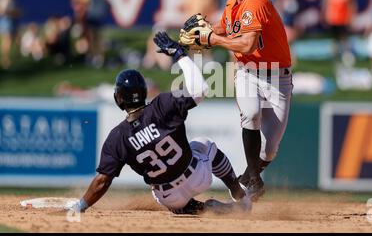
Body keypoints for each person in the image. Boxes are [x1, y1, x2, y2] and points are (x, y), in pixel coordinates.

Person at [69, 31, 251, 215]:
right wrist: (179, 54)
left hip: (169, 196)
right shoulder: (162, 105)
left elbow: (102, 181)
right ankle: (240, 196)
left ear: (119, 99)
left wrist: (79, 207)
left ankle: (200, 208)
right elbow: (200, 89)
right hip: (198, 177)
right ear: (144, 91)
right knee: (205, 144)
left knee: (164, 189)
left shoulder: (117, 136)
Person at [179, 0, 293, 202]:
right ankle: (254, 180)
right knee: (250, 115)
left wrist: (211, 39)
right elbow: (227, 27)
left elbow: (248, 44)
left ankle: (249, 176)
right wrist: (209, 29)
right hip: (248, 72)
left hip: (277, 78)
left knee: (271, 147)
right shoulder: (233, 4)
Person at [321, 0, 357, 67]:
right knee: (335, 39)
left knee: (344, 38)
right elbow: (325, 3)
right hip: (332, 19)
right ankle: (335, 57)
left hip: (343, 18)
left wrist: (351, 17)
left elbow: (351, 5)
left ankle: (347, 56)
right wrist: (324, 15)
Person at [0, 0, 20, 69]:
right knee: (7, 40)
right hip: (6, 22)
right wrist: (12, 12)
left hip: (12, 21)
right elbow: (2, 11)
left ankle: (14, 57)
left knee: (15, 40)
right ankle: (5, 59)